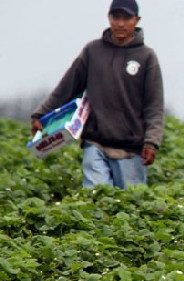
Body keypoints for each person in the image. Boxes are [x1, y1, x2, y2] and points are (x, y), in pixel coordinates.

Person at [31, 0, 164, 189]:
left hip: (130, 149)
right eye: (115, 17)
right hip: (95, 142)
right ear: (109, 18)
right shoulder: (93, 51)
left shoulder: (146, 57)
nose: (120, 23)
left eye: (126, 18)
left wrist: (151, 142)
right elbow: (67, 86)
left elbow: (154, 106)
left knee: (130, 206)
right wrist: (40, 114)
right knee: (96, 198)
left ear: (136, 20)